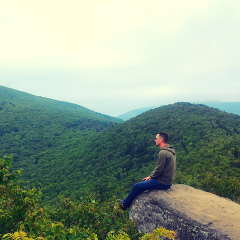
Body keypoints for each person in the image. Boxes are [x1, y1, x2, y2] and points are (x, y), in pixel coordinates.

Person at [118, 132, 176, 210]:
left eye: (156, 138)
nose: (155, 140)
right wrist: (150, 177)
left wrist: (151, 176)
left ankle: (124, 205)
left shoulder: (163, 153)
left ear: (161, 140)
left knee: (137, 186)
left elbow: (159, 169)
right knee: (142, 183)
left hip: (162, 182)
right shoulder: (170, 151)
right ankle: (125, 201)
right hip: (167, 181)